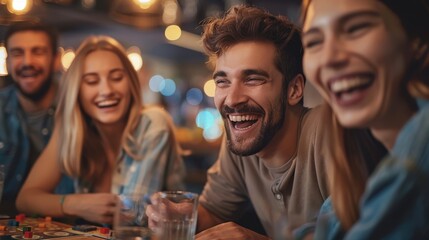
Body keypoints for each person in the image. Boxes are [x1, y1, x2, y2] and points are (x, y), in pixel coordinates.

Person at [148, 5, 331, 239]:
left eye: (253, 79)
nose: (233, 100)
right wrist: (180, 216)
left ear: (294, 90)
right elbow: (214, 212)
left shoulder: (329, 135)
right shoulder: (243, 137)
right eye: (223, 82)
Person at [16, 35, 185, 224]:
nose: (106, 90)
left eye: (117, 77)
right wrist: (74, 204)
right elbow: (26, 198)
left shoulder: (153, 123)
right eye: (91, 81)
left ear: (131, 83)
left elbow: (133, 219)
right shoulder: (72, 129)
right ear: (76, 91)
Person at [302, 0, 429, 238]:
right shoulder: (367, 161)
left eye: (356, 28)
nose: (329, 58)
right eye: (313, 42)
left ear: (416, 40)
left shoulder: (415, 161)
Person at [0, 22, 73, 216]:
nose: (27, 62)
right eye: (17, 53)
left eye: (37, 52)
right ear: (7, 62)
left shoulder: (77, 109)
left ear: (56, 59)